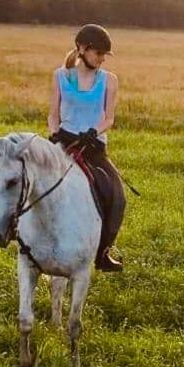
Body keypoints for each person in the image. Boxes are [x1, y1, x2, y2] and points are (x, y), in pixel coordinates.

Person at [47, 23, 126, 272]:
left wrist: (94, 131)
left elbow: (109, 118)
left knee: (118, 197)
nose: (101, 58)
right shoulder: (59, 76)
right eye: (98, 53)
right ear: (82, 48)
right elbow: (52, 114)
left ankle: (103, 253)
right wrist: (54, 133)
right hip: (65, 142)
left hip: (93, 146)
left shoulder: (109, 80)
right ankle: (21, 234)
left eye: (104, 54)